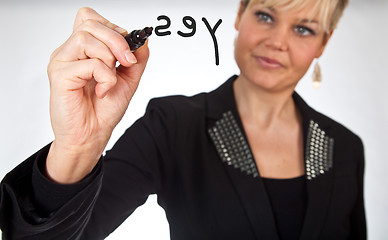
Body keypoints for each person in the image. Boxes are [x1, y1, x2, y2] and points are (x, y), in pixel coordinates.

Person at [0, 0, 366, 239]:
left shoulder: (345, 148)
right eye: (266, 16)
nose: (278, 41)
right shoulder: (172, 125)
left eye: (303, 28)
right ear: (240, 14)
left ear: (323, 43)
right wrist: (77, 148)